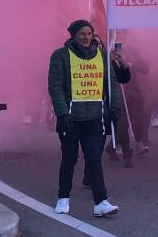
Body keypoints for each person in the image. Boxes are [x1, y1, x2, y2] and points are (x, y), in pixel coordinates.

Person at [48, 19, 122, 217]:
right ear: (73, 35)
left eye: (89, 33)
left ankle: (100, 202)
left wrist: (115, 106)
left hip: (95, 118)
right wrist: (62, 113)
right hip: (71, 119)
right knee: (69, 158)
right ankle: (63, 198)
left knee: (94, 159)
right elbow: (55, 86)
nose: (86, 37)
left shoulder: (102, 55)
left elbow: (111, 83)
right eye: (82, 34)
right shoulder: (60, 56)